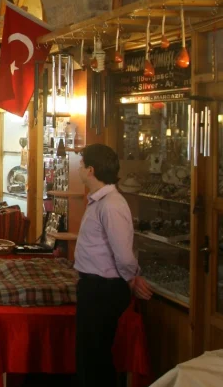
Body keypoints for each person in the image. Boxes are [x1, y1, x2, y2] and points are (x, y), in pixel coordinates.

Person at [74, 144, 151, 387]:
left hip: (103, 289)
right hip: (93, 286)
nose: (78, 168)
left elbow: (123, 254)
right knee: (89, 354)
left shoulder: (112, 205)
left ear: (91, 170)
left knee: (96, 356)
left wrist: (132, 277)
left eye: (81, 164)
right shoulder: (100, 201)